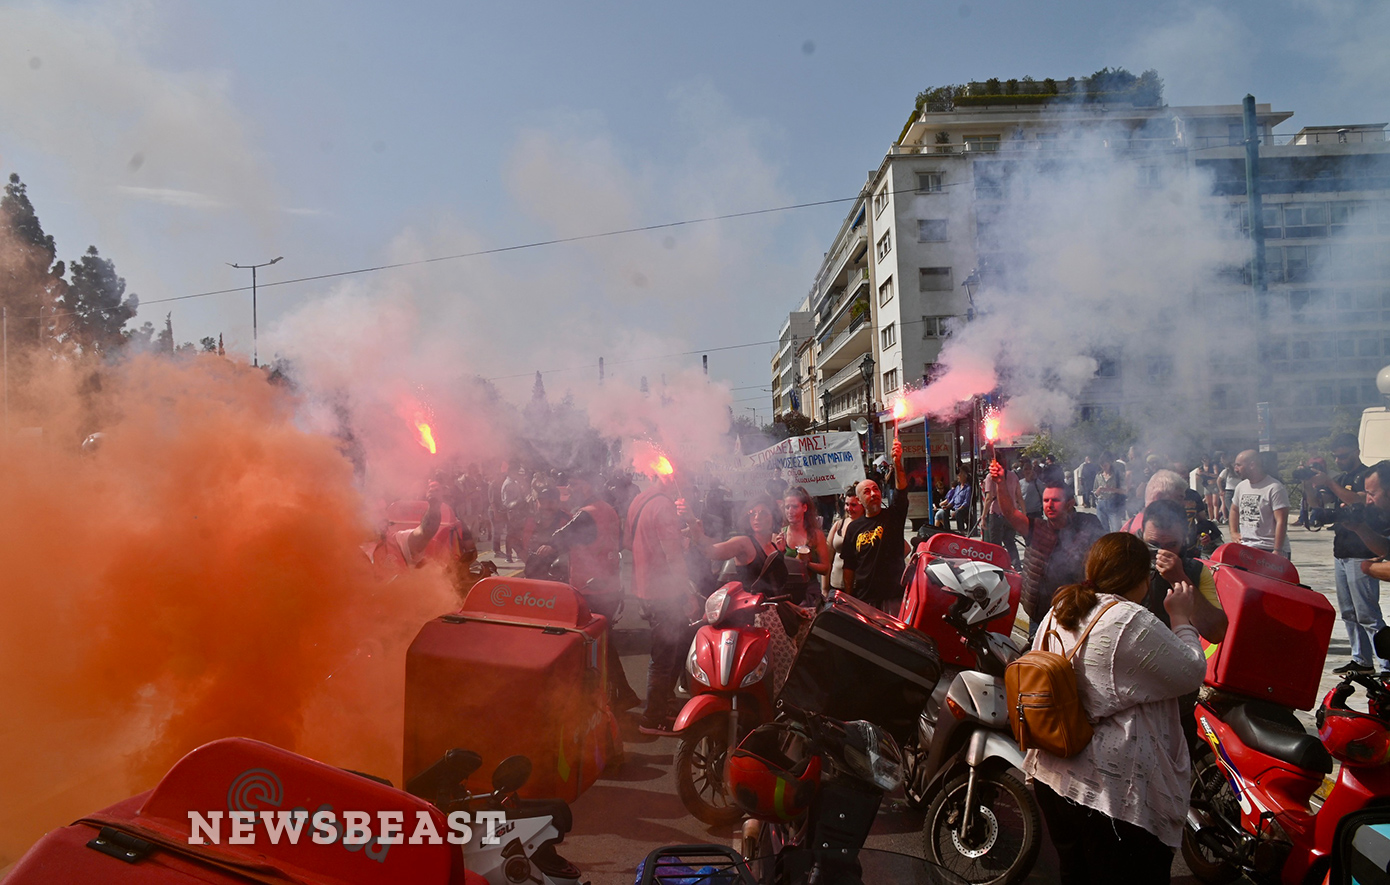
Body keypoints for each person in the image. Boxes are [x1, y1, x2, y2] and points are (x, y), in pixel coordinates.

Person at [1025, 532, 1206, 884]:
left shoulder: (1061, 607)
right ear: (1142, 577)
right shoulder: (1129, 620)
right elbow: (1191, 671)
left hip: (1054, 775)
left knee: (1075, 874)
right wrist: (1182, 617)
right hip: (1109, 797)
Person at [535, 471, 640, 711]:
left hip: (591, 588)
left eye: (573, 484)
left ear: (587, 485)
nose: (568, 490)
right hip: (609, 585)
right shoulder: (607, 509)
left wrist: (546, 548)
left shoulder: (587, 514)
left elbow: (561, 538)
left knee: (591, 645)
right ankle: (619, 694)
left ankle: (610, 696)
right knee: (604, 644)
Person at [990, 462, 1105, 639]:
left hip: (1076, 613)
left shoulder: (1087, 524)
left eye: (1055, 500)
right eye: (1046, 500)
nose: (1049, 505)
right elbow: (1010, 512)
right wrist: (1000, 483)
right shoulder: (1036, 528)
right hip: (1040, 614)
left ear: (1070, 504)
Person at [1308, 434, 1390, 675]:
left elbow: (1359, 500)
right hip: (1343, 550)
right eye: (1334, 456)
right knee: (1349, 613)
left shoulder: (1368, 475)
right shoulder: (1342, 478)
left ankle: (1386, 664)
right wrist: (1310, 483)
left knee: (1368, 614)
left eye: (1342, 455)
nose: (1338, 460)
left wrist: (1331, 483)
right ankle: (1361, 660)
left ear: (1355, 451)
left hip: (1362, 553)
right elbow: (1319, 506)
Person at [627, 465, 692, 735]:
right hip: (664, 593)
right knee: (663, 657)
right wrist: (687, 592)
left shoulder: (640, 499)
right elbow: (673, 556)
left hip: (645, 588)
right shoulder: (663, 506)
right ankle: (653, 718)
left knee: (672, 648)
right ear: (670, 477)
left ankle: (664, 702)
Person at [840, 437, 910, 612]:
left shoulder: (893, 516)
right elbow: (849, 566)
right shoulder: (853, 528)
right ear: (860, 500)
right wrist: (850, 599)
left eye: (876, 489)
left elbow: (901, 490)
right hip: (865, 601)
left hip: (894, 598)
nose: (873, 493)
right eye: (867, 491)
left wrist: (897, 463)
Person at [1228, 449, 1290, 558]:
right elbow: (1234, 509)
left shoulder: (1274, 488)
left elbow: (1281, 521)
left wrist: (1277, 550)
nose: (1235, 469)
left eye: (1238, 465)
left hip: (1269, 547)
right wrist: (1233, 532)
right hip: (1247, 547)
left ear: (1252, 465)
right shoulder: (1241, 486)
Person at [780, 486, 830, 605]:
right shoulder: (780, 534)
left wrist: (806, 563)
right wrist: (779, 551)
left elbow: (825, 568)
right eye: (787, 507)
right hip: (785, 594)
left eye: (795, 506)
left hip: (809, 592)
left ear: (804, 508)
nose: (790, 511)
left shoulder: (815, 535)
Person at [982, 451, 1023, 566]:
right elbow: (1019, 496)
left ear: (992, 462)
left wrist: (983, 516)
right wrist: (1023, 514)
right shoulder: (1013, 475)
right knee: (1010, 542)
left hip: (996, 514)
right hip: (1011, 514)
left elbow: (989, 498)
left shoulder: (991, 477)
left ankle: (998, 567)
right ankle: (1017, 565)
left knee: (996, 545)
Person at [824, 485, 865, 596]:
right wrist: (824, 588)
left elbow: (904, 548)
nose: (849, 508)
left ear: (863, 505)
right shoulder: (839, 524)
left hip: (859, 589)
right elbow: (827, 558)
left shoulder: (870, 527)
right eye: (847, 504)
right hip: (835, 586)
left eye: (854, 505)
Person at [935, 467, 972, 532]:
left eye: (959, 475)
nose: (958, 477)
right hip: (954, 508)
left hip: (962, 509)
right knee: (944, 512)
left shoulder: (968, 488)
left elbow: (966, 502)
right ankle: (947, 530)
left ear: (964, 476)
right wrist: (947, 506)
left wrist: (958, 509)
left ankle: (961, 531)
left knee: (958, 513)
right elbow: (953, 499)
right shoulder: (957, 487)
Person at [1093, 460, 1127, 532]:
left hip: (1113, 503)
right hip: (1101, 504)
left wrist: (1112, 490)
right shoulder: (1098, 476)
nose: (1104, 467)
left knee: (1116, 529)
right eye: (1102, 465)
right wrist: (1099, 490)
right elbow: (1095, 493)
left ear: (1109, 464)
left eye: (1105, 465)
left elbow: (1124, 491)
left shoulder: (1116, 476)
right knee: (1102, 530)